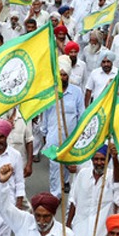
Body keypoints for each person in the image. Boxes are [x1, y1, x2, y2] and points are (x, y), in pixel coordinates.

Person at [0, 164, 77, 236]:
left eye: (46, 216)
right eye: (37, 216)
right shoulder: (22, 222)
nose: (41, 221)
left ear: (53, 214)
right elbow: (3, 207)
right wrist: (3, 184)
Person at [67, 145, 119, 236]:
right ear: (91, 160)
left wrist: (115, 157)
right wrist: (67, 226)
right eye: (96, 159)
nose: (99, 162)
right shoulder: (82, 174)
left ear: (108, 161)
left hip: (101, 229)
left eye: (102, 159)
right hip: (80, 226)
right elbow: (74, 201)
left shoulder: (112, 176)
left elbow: (118, 178)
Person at [41, 57, 85, 197]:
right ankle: (55, 194)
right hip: (54, 135)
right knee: (55, 165)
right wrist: (44, 133)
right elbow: (45, 114)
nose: (62, 77)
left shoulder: (76, 92)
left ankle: (65, 182)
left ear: (68, 75)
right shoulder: (51, 92)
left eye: (64, 74)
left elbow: (81, 114)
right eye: (60, 74)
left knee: (68, 163)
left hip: (71, 136)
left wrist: (79, 135)